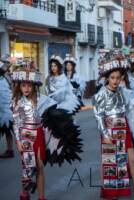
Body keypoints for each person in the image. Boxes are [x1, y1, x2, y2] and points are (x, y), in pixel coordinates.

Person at [12, 63, 83, 200]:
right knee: (27, 167)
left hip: (38, 135)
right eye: (23, 85)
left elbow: (55, 112)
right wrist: (18, 141)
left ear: (34, 85)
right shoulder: (16, 102)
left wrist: (65, 123)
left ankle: (41, 197)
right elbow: (16, 124)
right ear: (19, 87)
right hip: (25, 137)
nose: (26, 88)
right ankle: (25, 192)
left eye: (29, 85)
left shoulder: (42, 100)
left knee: (39, 167)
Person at [93, 56, 134, 199]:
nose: (115, 81)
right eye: (112, 78)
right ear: (107, 78)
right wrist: (105, 134)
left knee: (132, 158)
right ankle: (107, 190)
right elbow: (98, 116)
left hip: (123, 128)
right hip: (109, 131)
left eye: (118, 77)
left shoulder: (122, 91)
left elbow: (130, 106)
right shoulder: (100, 94)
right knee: (109, 161)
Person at [0, 55, 14, 158]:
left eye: (7, 63)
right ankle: (10, 150)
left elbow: (13, 90)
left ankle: (11, 150)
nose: (5, 65)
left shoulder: (10, 76)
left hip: (8, 108)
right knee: (7, 129)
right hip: (2, 107)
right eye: (3, 62)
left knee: (10, 128)